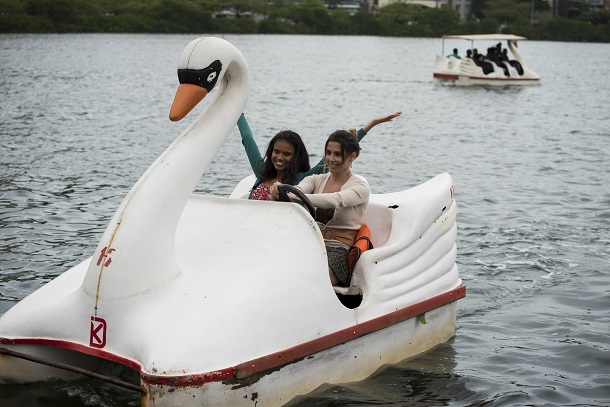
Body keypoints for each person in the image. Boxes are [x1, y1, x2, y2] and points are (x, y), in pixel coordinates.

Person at [270, 129, 369, 287]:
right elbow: (298, 190)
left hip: (339, 249)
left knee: (315, 278)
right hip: (312, 243)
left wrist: (296, 196)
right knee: (275, 265)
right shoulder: (315, 180)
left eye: (337, 154)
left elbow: (337, 200)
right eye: (328, 153)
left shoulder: (360, 186)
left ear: (352, 156)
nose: (331, 159)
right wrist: (280, 190)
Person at [237, 112, 401, 200]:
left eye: (287, 154)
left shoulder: (303, 179)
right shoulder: (262, 172)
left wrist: (370, 125)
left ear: (296, 157)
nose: (279, 157)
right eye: (276, 151)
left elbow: (341, 149)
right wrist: (237, 111)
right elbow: (248, 139)